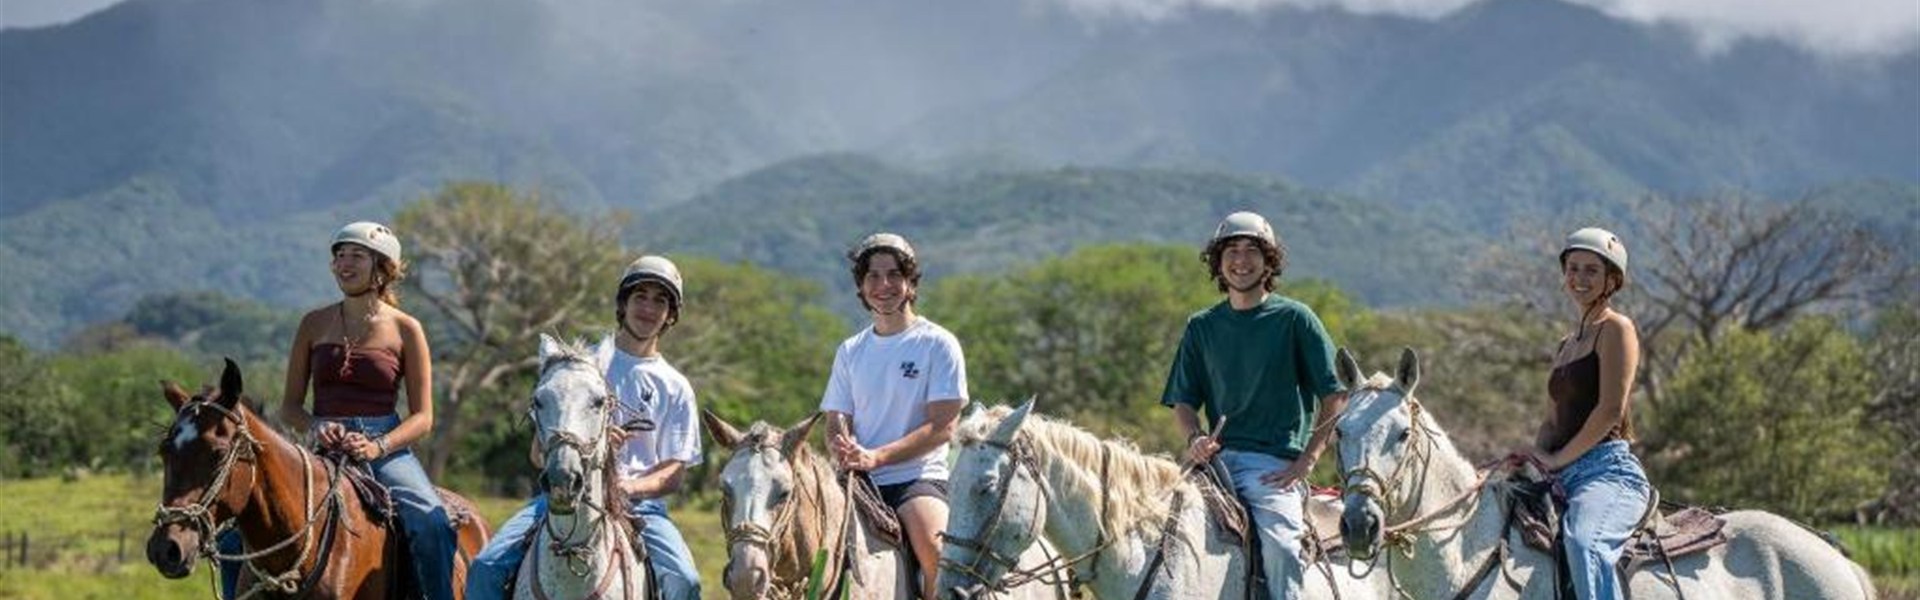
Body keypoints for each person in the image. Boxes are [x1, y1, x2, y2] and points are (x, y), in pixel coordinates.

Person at [218, 221, 457, 599]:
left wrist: (378, 447)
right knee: (234, 532)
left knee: (431, 522)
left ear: (383, 267)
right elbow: (291, 407)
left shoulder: (407, 329)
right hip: (319, 449)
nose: (344, 263)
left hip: (385, 446)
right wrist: (316, 426)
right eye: (339, 256)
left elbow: (423, 417)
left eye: (356, 256)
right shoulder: (313, 323)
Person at [465, 255, 704, 600]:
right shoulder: (579, 367)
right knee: (486, 568)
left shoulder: (676, 385)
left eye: (660, 300)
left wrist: (628, 487)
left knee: (685, 581)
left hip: (642, 508)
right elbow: (537, 453)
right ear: (623, 304)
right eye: (640, 297)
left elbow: (674, 472)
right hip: (562, 497)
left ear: (671, 314)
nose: (649, 308)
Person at [1161, 211, 1348, 599]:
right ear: (1218, 261)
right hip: (1212, 466)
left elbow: (1335, 396)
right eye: (1231, 250)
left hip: (1272, 470)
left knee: (1281, 549)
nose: (1241, 260)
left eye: (1251, 251)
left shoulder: (1296, 318)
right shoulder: (1201, 326)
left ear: (1269, 262)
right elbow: (1182, 399)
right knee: (1151, 531)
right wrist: (1194, 436)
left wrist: (1307, 462)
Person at [821, 232, 967, 600]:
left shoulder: (937, 343)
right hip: (856, 480)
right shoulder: (851, 350)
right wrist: (842, 445)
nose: (883, 285)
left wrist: (878, 456)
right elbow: (836, 417)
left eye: (893, 275)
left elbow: (942, 427)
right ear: (861, 285)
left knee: (938, 559)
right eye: (872, 276)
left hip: (915, 480)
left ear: (910, 283)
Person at [1515, 227, 1651, 600]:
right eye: (1573, 268)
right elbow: (1551, 422)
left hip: (1607, 472)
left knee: (1584, 543)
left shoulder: (1616, 329)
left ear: (1612, 280)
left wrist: (1556, 458)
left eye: (1591, 270)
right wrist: (1531, 457)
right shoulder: (1566, 344)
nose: (1579, 278)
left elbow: (1610, 411)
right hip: (1563, 472)